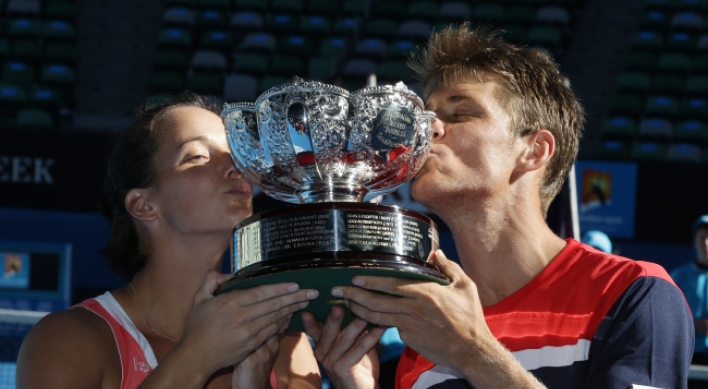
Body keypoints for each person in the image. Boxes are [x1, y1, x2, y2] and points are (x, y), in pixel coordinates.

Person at [301, 23, 694, 389]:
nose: (429, 129)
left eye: (460, 113)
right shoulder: (425, 329)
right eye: (428, 116)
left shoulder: (633, 293)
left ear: (534, 150)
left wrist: (474, 353)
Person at [16, 92, 322, 389]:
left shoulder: (285, 344)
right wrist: (198, 357)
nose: (235, 168)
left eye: (236, 155)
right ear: (143, 205)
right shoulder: (67, 339)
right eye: (198, 156)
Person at [671, 214, 708, 387]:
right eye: (703, 237)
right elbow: (667, 318)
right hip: (686, 357)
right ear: (695, 241)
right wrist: (693, 325)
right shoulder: (679, 276)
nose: (706, 243)